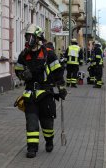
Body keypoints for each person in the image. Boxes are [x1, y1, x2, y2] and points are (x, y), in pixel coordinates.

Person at [14, 24, 67, 158]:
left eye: (31, 36)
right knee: (31, 122)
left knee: (47, 124)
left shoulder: (48, 54)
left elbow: (58, 72)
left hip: (46, 94)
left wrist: (61, 88)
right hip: (30, 93)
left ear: (38, 38)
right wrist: (22, 74)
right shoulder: (24, 54)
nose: (28, 39)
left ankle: (49, 140)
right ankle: (32, 148)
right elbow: (18, 69)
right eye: (27, 36)